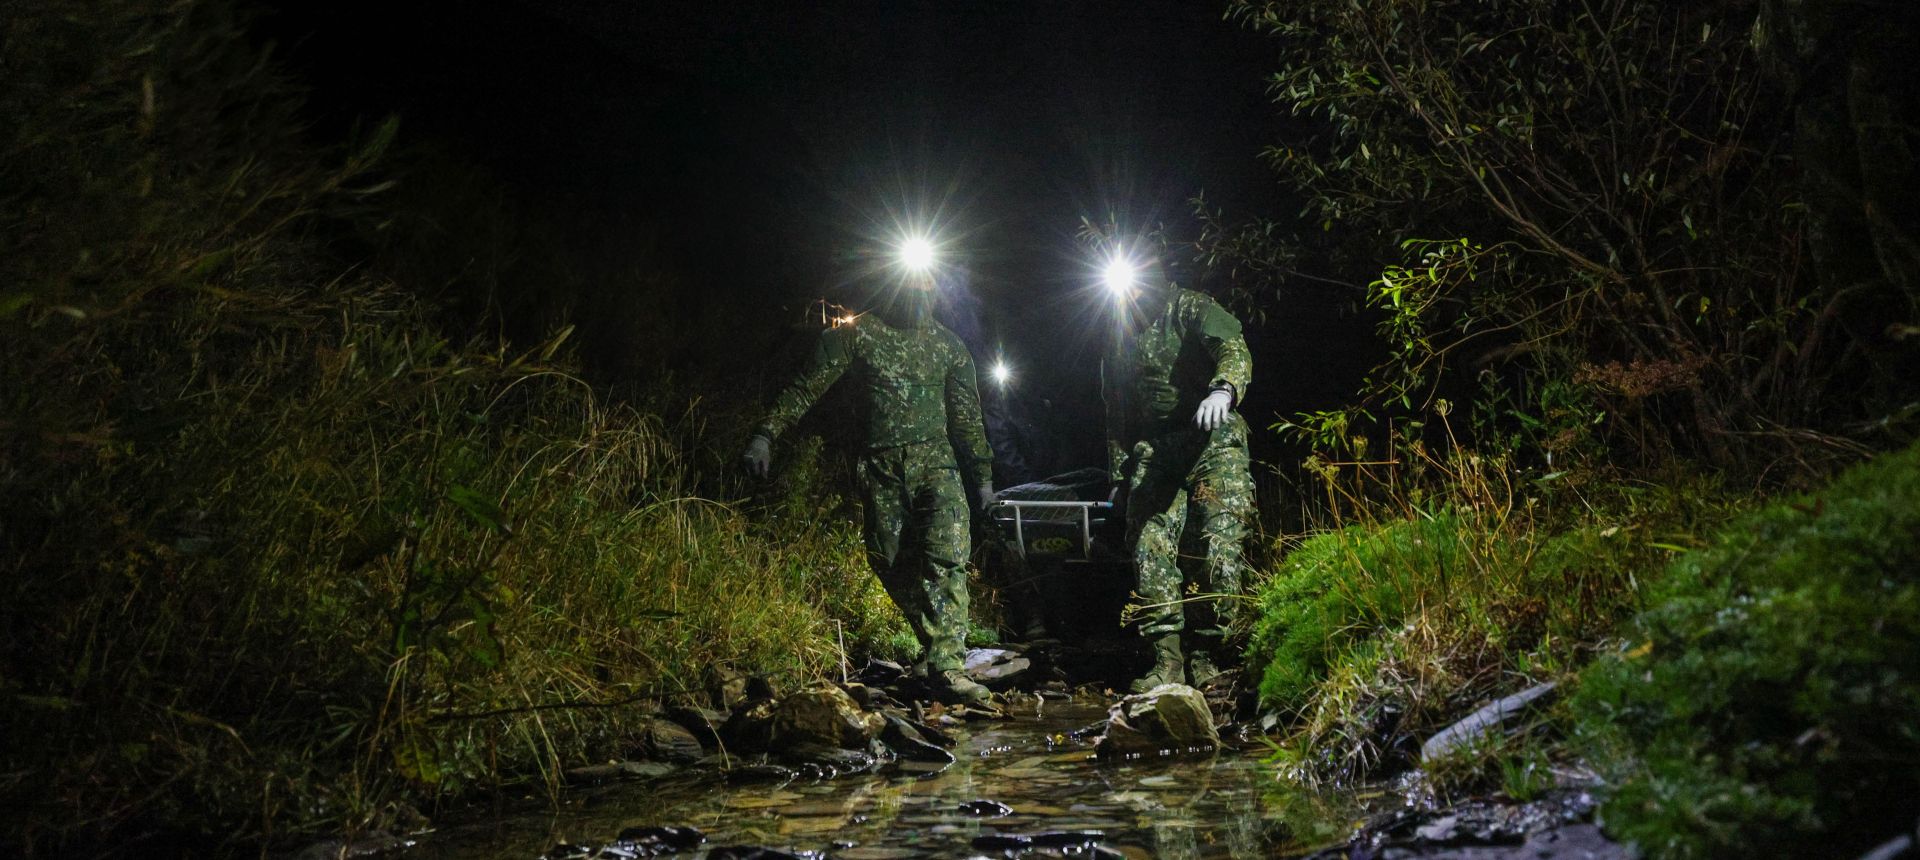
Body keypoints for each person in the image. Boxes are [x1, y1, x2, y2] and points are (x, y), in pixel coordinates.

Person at [742, 273, 997, 705]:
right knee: (888, 558)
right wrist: (766, 433)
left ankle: (948, 666)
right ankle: (937, 643)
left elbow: (967, 419)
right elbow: (809, 385)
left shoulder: (950, 347)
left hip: (937, 466)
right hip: (881, 467)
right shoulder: (861, 333)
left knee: (947, 559)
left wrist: (984, 481)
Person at [1101, 261, 1255, 693]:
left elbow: (1233, 348)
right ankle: (1166, 660)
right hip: (1157, 451)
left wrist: (1223, 388)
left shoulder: (1190, 307)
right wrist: (1118, 474)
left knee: (1217, 550)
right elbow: (1116, 408)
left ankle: (1211, 657)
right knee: (1149, 546)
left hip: (1212, 442)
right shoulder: (1119, 339)